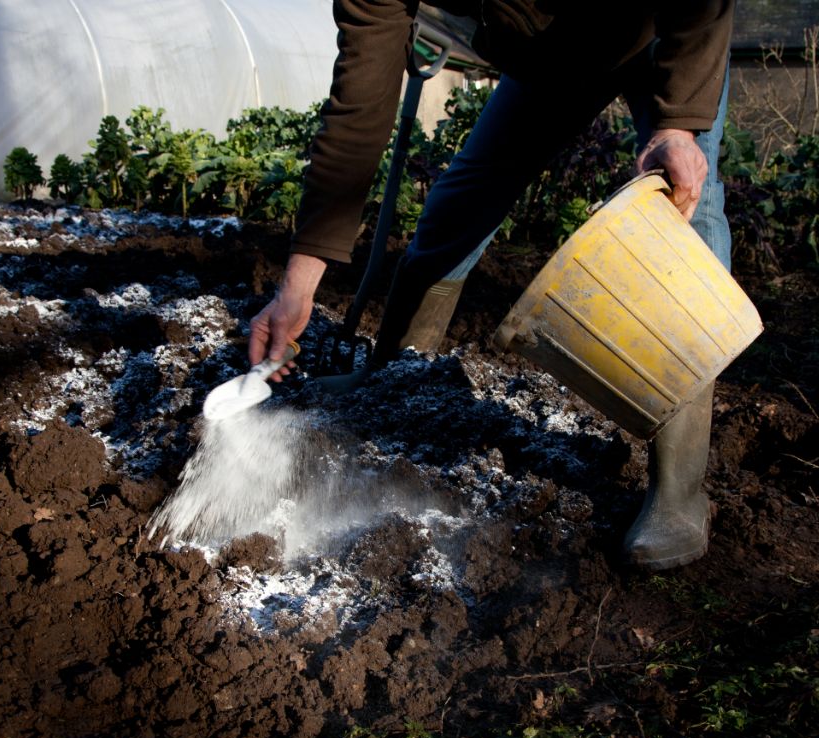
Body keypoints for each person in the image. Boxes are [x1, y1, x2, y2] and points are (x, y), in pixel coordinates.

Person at [248, 0, 735, 570]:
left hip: (658, 35)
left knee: (684, 207)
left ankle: (680, 491)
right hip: (552, 59)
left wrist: (678, 124)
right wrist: (297, 289)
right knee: (462, 202)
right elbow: (357, 107)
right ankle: (395, 378)